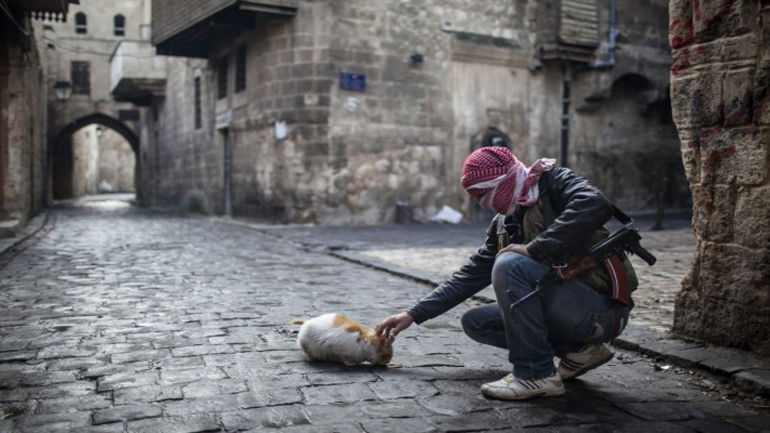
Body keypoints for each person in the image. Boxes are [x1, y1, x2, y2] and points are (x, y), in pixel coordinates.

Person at [375, 146, 637, 400]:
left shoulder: (554, 181)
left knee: (510, 263)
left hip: (601, 309)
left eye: (482, 194)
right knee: (477, 322)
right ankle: (581, 349)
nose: (481, 203)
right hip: (565, 309)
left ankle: (535, 375)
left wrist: (535, 249)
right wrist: (413, 314)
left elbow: (595, 203)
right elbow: (471, 274)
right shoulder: (505, 222)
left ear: (502, 182)